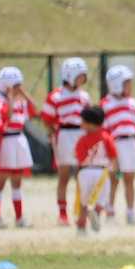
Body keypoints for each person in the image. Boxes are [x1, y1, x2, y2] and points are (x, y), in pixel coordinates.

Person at [41, 57, 90, 225]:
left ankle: (81, 211)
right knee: (64, 176)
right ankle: (62, 214)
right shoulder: (56, 96)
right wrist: (53, 133)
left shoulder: (84, 96)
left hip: (81, 135)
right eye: (80, 76)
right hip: (64, 135)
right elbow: (47, 118)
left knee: (82, 175)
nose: (82, 79)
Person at [0, 67, 37, 228]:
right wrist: (10, 98)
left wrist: (24, 94)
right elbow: (6, 117)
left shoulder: (21, 101)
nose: (19, 89)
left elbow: (33, 110)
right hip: (6, 141)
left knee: (17, 182)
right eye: (15, 86)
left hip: (19, 139)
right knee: (1, 181)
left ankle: (19, 217)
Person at [102, 65, 135, 224]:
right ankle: (110, 211)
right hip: (115, 144)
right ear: (116, 84)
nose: (130, 86)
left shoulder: (132, 102)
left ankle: (130, 212)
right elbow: (104, 130)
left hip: (130, 144)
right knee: (113, 179)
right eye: (127, 83)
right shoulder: (106, 104)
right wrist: (108, 150)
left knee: (129, 179)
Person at [73, 105, 118, 235]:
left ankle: (81, 226)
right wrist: (114, 171)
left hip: (85, 172)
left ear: (90, 123)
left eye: (82, 122)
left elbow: (79, 159)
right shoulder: (106, 137)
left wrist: (78, 174)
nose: (81, 124)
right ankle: (95, 213)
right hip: (102, 172)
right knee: (101, 200)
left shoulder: (82, 139)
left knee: (83, 201)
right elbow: (113, 156)